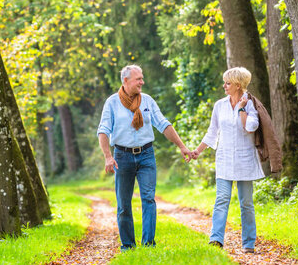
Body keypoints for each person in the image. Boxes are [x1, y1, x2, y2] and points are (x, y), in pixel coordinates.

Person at [97, 65, 192, 250]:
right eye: (138, 79)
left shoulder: (147, 101)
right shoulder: (112, 103)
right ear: (125, 81)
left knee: (148, 199)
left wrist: (182, 146)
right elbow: (103, 130)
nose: (142, 82)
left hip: (146, 156)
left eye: (142, 78)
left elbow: (163, 124)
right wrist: (108, 157)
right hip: (122, 157)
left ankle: (148, 244)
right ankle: (128, 246)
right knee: (123, 204)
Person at [192, 67, 264, 254]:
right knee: (221, 198)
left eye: (228, 83)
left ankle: (248, 243)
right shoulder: (220, 105)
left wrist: (241, 109)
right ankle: (216, 239)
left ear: (238, 85)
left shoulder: (250, 104)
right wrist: (197, 151)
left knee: (246, 202)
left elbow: (251, 126)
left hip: (244, 159)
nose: (224, 86)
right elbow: (212, 131)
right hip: (224, 158)